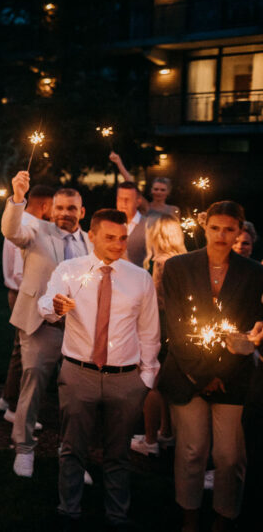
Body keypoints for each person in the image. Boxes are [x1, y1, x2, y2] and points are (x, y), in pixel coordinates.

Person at [38, 208, 160, 528]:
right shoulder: (69, 270)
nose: (118, 245)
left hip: (125, 379)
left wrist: (145, 378)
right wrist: (55, 306)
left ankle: (117, 514)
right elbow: (46, 303)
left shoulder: (140, 279)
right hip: (79, 373)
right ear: (91, 236)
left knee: (118, 453)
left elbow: (149, 332)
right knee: (72, 448)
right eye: (110, 238)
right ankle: (69, 510)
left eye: (122, 238)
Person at [158, 201, 263, 532]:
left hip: (233, 375)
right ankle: (189, 515)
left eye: (229, 229)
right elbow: (174, 323)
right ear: (204, 226)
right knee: (191, 451)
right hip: (188, 373)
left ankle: (224, 516)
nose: (221, 235)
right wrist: (202, 375)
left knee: (230, 456)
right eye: (215, 227)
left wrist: (222, 373)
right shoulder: (178, 267)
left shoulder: (253, 272)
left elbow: (248, 327)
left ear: (239, 232)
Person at [2, 171, 92, 478]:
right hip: (39, 323)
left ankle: (72, 454)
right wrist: (17, 197)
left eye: (72, 208)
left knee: (76, 396)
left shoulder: (90, 244)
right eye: (60, 208)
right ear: (51, 210)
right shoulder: (36, 230)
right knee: (34, 383)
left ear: (82, 212)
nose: (65, 213)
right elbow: (11, 230)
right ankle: (24, 447)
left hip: (78, 330)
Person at [0, 184, 54, 418]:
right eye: (54, 206)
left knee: (19, 350)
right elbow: (22, 271)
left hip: (17, 291)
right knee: (27, 353)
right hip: (23, 294)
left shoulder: (23, 222)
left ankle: (5, 398)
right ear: (45, 205)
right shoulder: (28, 226)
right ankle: (13, 407)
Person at [130, 215, 185, 457]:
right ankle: (167, 432)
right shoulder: (185, 261)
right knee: (165, 384)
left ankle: (150, 439)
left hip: (160, 327)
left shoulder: (161, 263)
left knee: (151, 382)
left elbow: (156, 302)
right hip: (177, 329)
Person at [109, 152, 180, 219]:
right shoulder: (146, 206)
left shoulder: (173, 209)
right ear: (151, 190)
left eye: (162, 190)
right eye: (156, 189)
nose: (159, 192)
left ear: (168, 192)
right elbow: (132, 184)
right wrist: (119, 163)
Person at [116, 181, 149, 269]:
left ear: (138, 202)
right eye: (120, 199)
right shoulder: (108, 224)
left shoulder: (149, 226)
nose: (123, 203)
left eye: (128, 199)